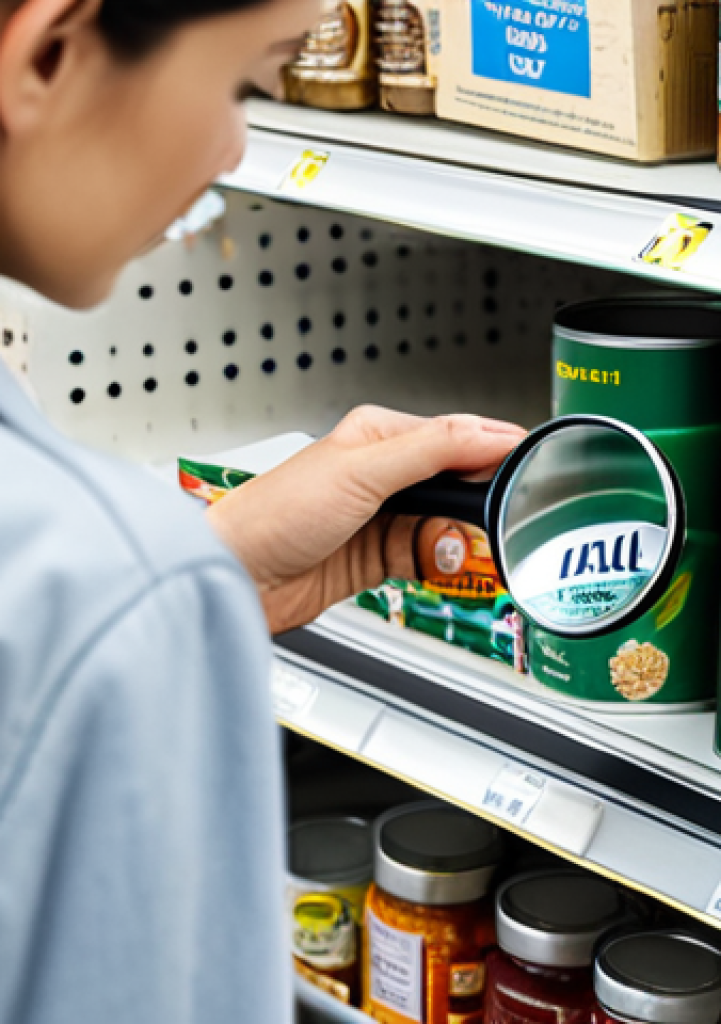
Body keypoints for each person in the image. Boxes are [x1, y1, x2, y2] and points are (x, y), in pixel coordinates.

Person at [0, 1, 525, 1021]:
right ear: (52, 53)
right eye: (243, 80)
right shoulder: (102, 578)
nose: (234, 147)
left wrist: (209, 574)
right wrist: (154, 604)